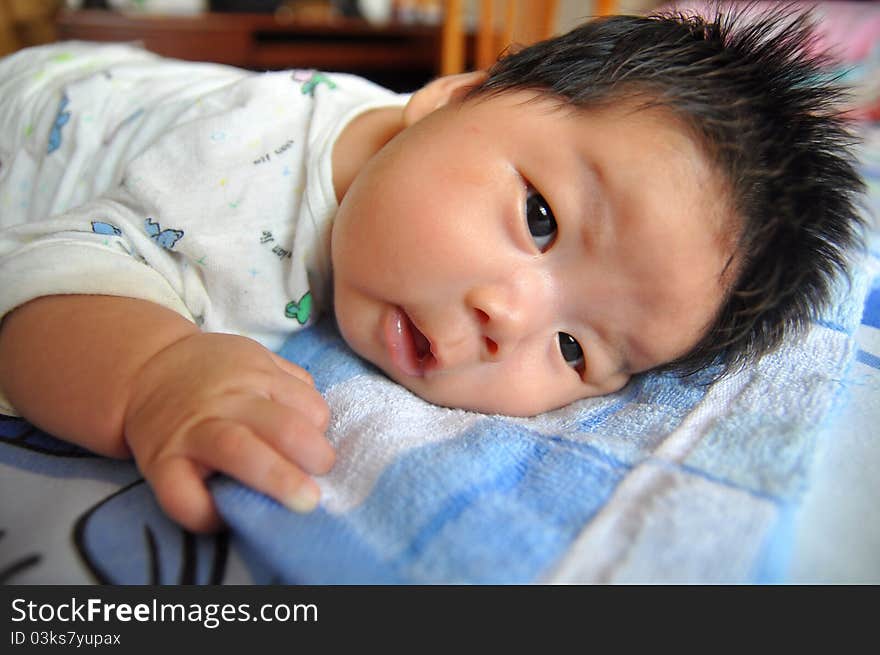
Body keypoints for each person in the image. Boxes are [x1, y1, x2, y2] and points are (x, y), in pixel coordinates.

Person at [0, 7, 865, 532]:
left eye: (574, 350)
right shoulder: (229, 189)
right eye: (540, 219)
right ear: (449, 97)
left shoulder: (441, 160)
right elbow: (42, 279)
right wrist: (154, 371)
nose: (511, 319)